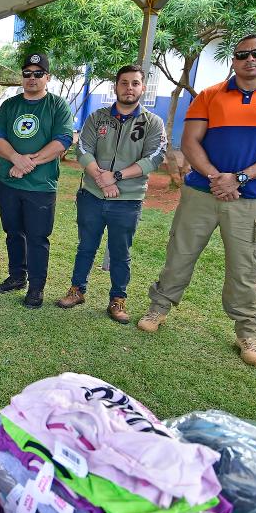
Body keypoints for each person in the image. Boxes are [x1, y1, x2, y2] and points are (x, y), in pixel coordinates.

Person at [137, 34, 256, 367]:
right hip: (202, 192)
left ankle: (248, 331)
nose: (250, 59)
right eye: (243, 54)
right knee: (179, 253)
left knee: (246, 267)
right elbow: (190, 142)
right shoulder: (209, 95)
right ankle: (159, 307)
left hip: (252, 197)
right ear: (234, 59)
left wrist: (240, 177)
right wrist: (217, 177)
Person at [55, 64, 167, 323]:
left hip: (127, 200)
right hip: (92, 196)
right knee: (86, 246)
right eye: (124, 83)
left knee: (120, 252)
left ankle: (117, 300)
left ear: (142, 88)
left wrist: (116, 177)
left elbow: (155, 157)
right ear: (115, 86)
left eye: (135, 83)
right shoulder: (97, 117)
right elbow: (83, 149)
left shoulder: (152, 123)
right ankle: (77, 290)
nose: (129, 88)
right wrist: (102, 180)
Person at [0, 53, 73, 309]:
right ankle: (17, 276)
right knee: (13, 233)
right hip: (8, 184)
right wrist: (15, 158)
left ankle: (36, 287)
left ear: (47, 77)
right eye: (27, 74)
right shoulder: (10, 105)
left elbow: (63, 141)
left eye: (38, 74)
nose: (32, 78)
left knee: (37, 237)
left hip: (40, 187)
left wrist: (28, 163)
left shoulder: (57, 106)